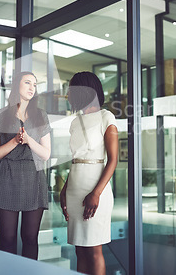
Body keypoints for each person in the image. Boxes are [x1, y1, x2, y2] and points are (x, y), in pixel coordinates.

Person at [0, 71, 51, 259]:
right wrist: (15, 141)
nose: (32, 87)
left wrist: (29, 140)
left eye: (35, 84)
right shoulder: (0, 115)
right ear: (17, 86)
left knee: (30, 238)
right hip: (8, 177)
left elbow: (46, 154)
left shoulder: (41, 116)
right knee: (7, 239)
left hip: (34, 178)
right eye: (27, 83)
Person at [60, 71, 118, 275]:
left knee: (94, 249)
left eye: (72, 90)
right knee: (80, 250)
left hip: (96, 189)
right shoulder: (75, 122)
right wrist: (64, 189)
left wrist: (96, 193)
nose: (69, 95)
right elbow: (76, 159)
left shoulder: (106, 117)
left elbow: (113, 160)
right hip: (74, 188)